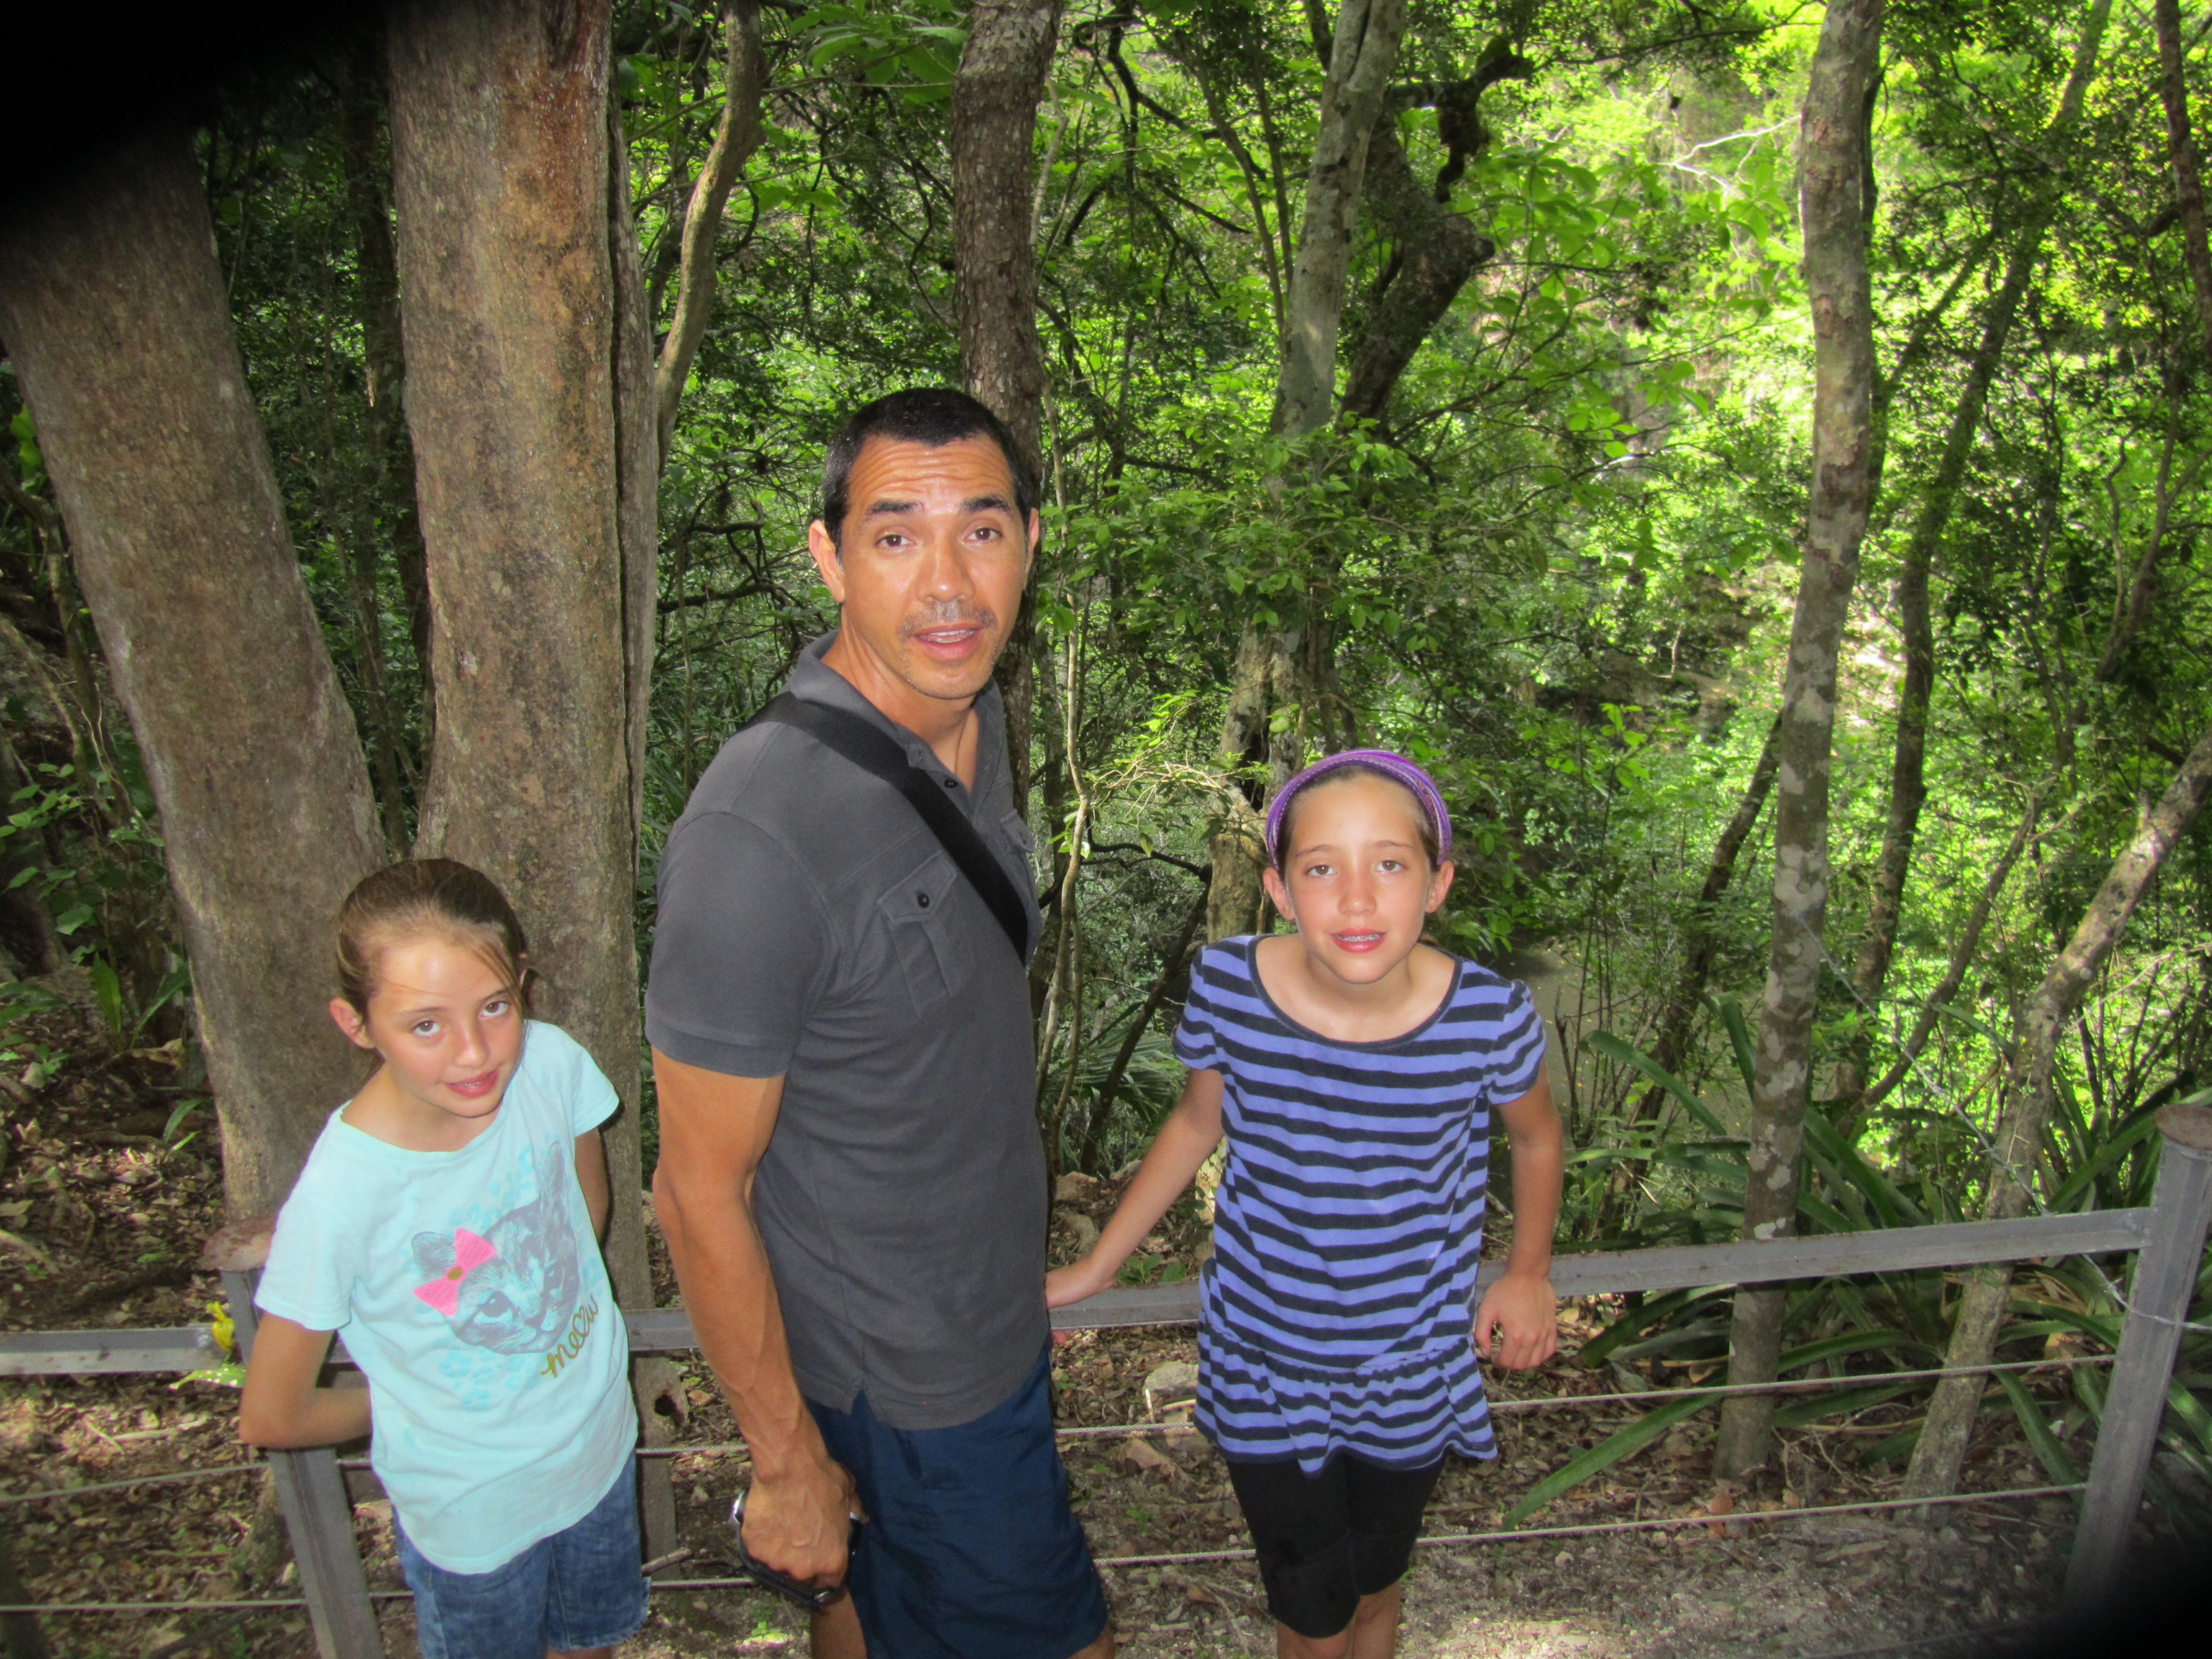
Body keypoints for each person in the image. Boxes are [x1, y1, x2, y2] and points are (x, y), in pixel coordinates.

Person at [645, 388, 1112, 1659]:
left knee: (869, 1617)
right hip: (912, 1378)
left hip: (978, 1314)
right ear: (829, 556)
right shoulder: (757, 835)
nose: (948, 584)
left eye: (983, 531)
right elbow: (695, 1188)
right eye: (896, 536)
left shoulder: (971, 716)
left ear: (1030, 543)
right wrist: (785, 1458)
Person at [1048, 751, 1566, 1659]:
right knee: (1313, 1613)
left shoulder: (1487, 1017)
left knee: (1375, 1590)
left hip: (1412, 1365)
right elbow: (1196, 1122)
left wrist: (1528, 1275)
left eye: (1390, 864)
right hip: (1265, 1364)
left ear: (1437, 883)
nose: (1357, 899)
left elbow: (1537, 1138)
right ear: (1280, 890)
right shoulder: (1230, 987)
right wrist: (1098, 1264)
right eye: (1323, 868)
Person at [239, 859, 644, 1659]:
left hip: (598, 1447)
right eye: (426, 1025)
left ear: (522, 984)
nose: (473, 1052)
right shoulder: (344, 1194)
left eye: (495, 1007)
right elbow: (273, 1413)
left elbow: (583, 1212)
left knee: (592, 1645)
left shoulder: (550, 1063)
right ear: (357, 1025)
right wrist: (412, 1407)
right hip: (473, 1513)